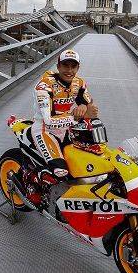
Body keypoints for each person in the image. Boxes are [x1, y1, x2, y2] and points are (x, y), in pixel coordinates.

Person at [29, 49, 98, 189]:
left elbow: (92, 108)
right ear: (58, 66)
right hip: (44, 129)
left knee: (82, 162)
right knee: (61, 171)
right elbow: (49, 120)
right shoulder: (44, 85)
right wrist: (80, 115)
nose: (69, 70)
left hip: (66, 129)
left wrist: (84, 106)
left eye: (73, 66)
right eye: (66, 65)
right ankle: (36, 184)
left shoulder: (79, 83)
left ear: (78, 67)